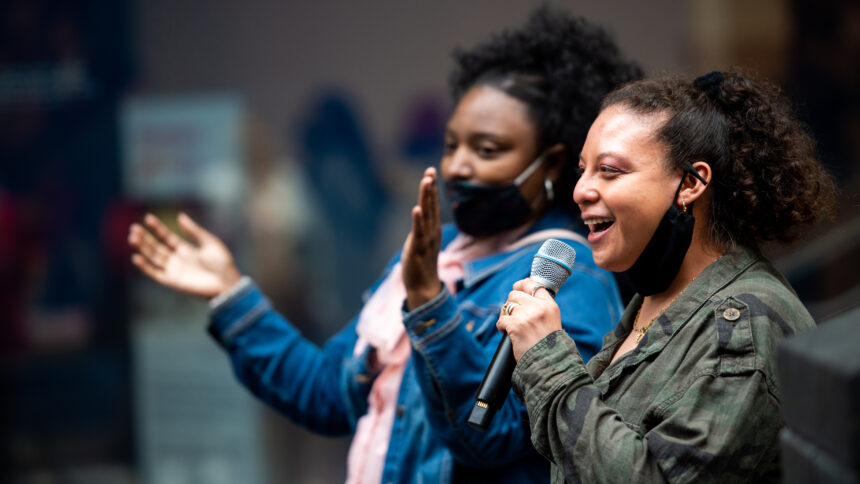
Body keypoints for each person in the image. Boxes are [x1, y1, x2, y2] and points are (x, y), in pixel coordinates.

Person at [128, 8, 641, 483]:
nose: (458, 165)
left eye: (487, 150)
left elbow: (490, 436)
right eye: (451, 144)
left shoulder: (572, 282)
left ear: (551, 164)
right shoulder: (432, 256)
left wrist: (430, 307)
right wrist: (229, 292)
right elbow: (326, 392)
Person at [497, 70, 839, 483]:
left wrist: (547, 359)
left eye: (609, 170)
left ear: (690, 184)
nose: (581, 190)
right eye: (583, 169)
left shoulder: (743, 323)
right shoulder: (655, 299)